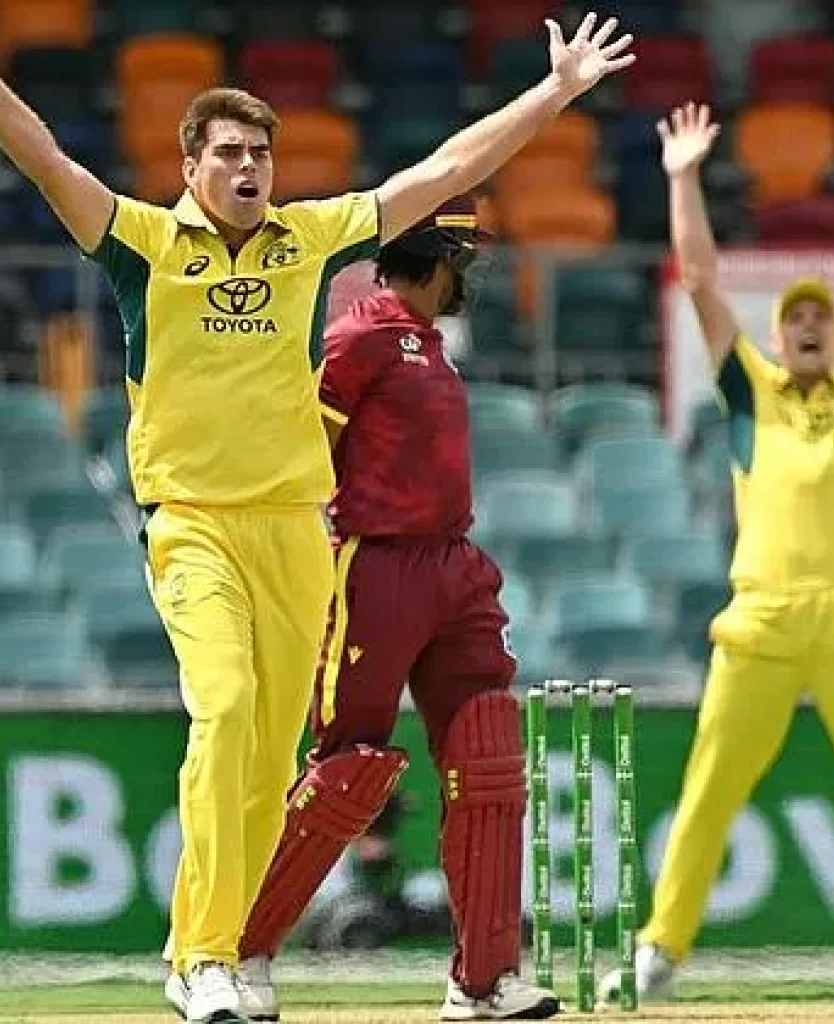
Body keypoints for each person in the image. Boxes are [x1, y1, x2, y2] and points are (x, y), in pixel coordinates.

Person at [0, 3, 635, 1021]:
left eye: (260, 154)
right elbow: (46, 160)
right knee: (227, 709)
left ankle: (230, 955)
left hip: (294, 526)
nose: (249, 168)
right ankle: (199, 956)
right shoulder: (144, 242)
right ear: (191, 165)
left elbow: (446, 171)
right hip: (193, 521)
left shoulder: (310, 238)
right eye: (230, 153)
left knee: (271, 757)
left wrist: (554, 92)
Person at [599, 100, 834, 1006]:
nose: (810, 324)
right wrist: (683, 177)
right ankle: (661, 950)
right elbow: (699, 279)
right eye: (795, 317)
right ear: (777, 335)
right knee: (711, 786)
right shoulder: (752, 393)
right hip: (762, 622)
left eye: (822, 316)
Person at [221, 194, 558, 1022]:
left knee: (487, 753)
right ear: (443, 260)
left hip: (453, 564)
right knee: (349, 767)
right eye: (464, 261)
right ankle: (241, 954)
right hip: (375, 566)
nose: (468, 279)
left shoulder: (425, 343)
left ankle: (484, 980)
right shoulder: (362, 334)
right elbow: (303, 447)